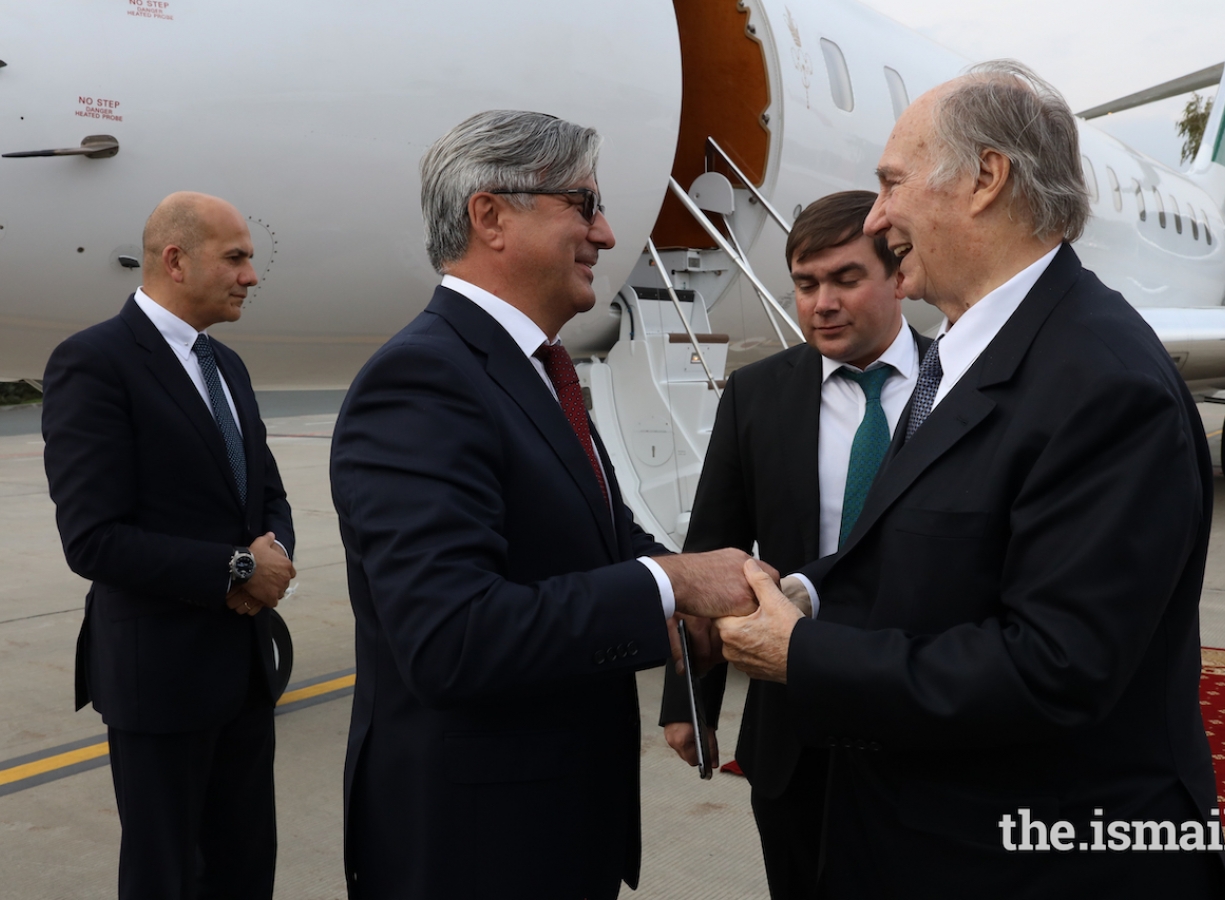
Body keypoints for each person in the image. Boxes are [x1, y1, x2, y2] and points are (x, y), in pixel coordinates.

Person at [717, 62, 1225, 899]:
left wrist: (805, 654)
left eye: (891, 184)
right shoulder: (972, 348)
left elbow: (1053, 668)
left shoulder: (1102, 380)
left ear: (986, 178)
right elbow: (926, 546)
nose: (877, 216)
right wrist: (805, 593)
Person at [329, 109, 762, 900]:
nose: (606, 233)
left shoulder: (531, 367)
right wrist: (671, 586)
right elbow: (451, 637)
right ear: (490, 215)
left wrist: (711, 590)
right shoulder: (422, 381)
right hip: (474, 852)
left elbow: (598, 536)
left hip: (553, 830)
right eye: (584, 204)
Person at [658, 190, 929, 899]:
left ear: (898, 274)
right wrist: (691, 697)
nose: (821, 304)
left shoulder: (959, 385)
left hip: (922, 715)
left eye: (845, 279)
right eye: (806, 285)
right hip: (793, 729)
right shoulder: (756, 396)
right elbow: (710, 552)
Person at [42, 191, 297, 899]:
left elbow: (265, 491)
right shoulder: (94, 362)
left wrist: (272, 560)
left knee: (246, 868)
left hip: (245, 668)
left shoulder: (228, 367)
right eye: (237, 258)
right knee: (167, 876)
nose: (251, 275)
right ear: (177, 260)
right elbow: (92, 538)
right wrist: (238, 570)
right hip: (159, 677)